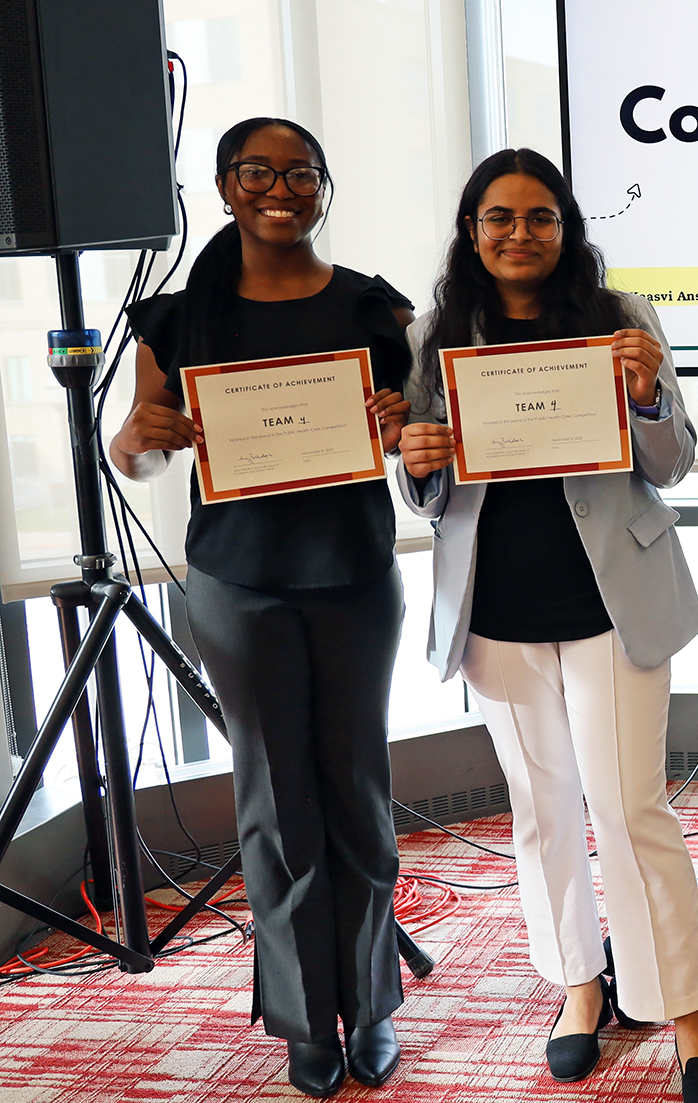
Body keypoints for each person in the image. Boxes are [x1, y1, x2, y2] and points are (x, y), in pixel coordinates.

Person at [394, 148, 698, 1101]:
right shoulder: (435, 333)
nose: (519, 234)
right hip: (496, 613)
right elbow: (424, 493)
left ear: (566, 228)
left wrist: (648, 393)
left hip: (609, 604)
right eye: (498, 218)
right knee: (543, 814)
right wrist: (416, 460)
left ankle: (686, 1008)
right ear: (472, 230)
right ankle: (580, 987)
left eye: (540, 217)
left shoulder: (621, 321)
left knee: (631, 810)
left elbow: (672, 463)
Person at [110, 118, 415, 1098]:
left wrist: (407, 424)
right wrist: (135, 437)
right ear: (224, 184)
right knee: (275, 811)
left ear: (325, 187)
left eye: (300, 173)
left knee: (357, 800)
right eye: (257, 171)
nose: (279, 188)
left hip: (356, 578)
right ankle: (301, 1025)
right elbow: (141, 449)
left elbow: (420, 451)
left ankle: (368, 1007)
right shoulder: (175, 320)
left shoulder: (377, 309)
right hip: (239, 585)